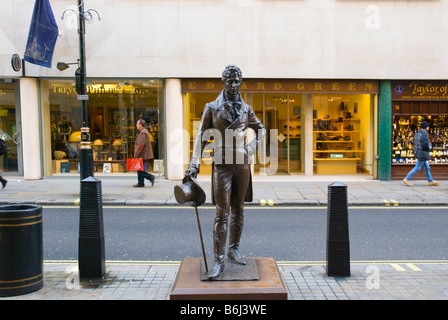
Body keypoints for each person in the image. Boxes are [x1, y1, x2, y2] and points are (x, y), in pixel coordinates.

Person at [185, 65, 266, 280]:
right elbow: (201, 138)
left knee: (239, 209)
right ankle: (218, 260)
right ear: (223, 82)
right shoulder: (212, 107)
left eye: (236, 81)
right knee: (222, 213)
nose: (233, 85)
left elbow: (261, 129)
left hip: (242, 166)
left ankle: (234, 249)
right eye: (229, 81)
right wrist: (194, 164)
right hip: (221, 166)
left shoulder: (246, 109)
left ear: (241, 82)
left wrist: (251, 149)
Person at [403, 121, 439, 186]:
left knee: (427, 167)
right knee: (417, 167)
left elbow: (415, 143)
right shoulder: (424, 134)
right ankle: (406, 178)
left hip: (419, 152)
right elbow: (425, 144)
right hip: (423, 152)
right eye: (428, 126)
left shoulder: (417, 133)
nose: (428, 128)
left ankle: (430, 180)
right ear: (426, 127)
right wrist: (429, 149)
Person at [133, 118, 155, 187]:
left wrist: (136, 154)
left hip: (142, 154)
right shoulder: (143, 132)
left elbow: (141, 144)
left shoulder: (143, 132)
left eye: (137, 124)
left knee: (139, 169)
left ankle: (151, 177)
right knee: (139, 168)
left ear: (140, 125)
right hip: (142, 154)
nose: (136, 125)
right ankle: (141, 183)